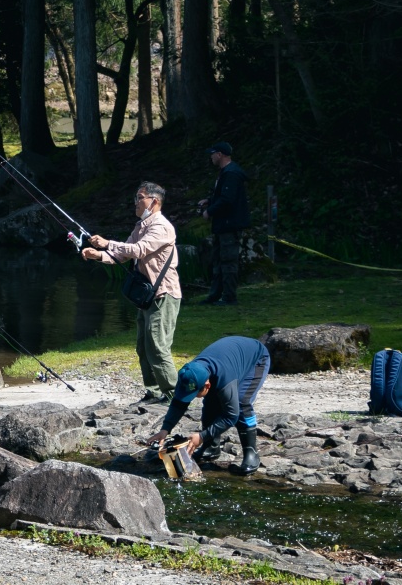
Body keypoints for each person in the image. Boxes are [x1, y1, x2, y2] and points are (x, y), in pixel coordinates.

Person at [80, 182, 181, 403]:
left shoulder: (162, 226)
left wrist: (107, 243)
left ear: (154, 201)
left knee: (157, 345)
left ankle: (176, 396)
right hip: (146, 297)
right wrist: (99, 255)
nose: (135, 202)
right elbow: (122, 255)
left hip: (164, 294)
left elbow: (139, 250)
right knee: (143, 346)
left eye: (139, 197)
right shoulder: (141, 226)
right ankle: (153, 392)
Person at [145, 335, 269, 474]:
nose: (193, 398)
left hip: (256, 358)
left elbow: (231, 416)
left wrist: (201, 436)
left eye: (195, 394)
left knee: (241, 403)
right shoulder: (188, 374)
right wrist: (165, 430)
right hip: (228, 358)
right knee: (210, 403)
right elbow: (178, 403)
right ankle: (211, 447)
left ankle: (251, 453)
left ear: (207, 385)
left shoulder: (225, 380)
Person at [198, 142, 249, 305]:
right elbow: (223, 196)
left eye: (212, 154)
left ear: (220, 154)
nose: (211, 157)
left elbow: (227, 200)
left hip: (229, 224)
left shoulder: (231, 174)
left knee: (228, 262)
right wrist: (209, 201)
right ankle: (215, 295)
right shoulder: (226, 173)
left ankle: (229, 297)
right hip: (223, 225)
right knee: (218, 261)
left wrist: (209, 211)